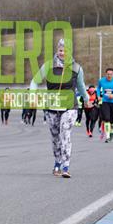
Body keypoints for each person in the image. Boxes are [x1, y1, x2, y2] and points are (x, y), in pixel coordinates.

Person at [30, 38, 88, 178]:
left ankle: (66, 166)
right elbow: (34, 81)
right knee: (55, 137)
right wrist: (32, 94)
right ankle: (57, 162)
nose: (63, 53)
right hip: (52, 106)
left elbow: (81, 86)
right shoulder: (48, 66)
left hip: (70, 107)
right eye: (61, 50)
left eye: (66, 50)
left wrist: (87, 99)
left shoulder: (76, 68)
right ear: (57, 50)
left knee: (65, 132)